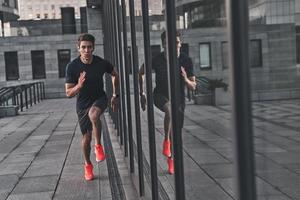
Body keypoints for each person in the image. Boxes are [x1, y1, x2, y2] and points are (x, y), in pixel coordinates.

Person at [139, 31, 196, 174]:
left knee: (176, 133)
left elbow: (193, 86)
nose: (173, 46)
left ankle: (171, 159)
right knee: (169, 110)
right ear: (164, 45)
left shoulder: (186, 60)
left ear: (180, 44)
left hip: (179, 99)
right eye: (168, 43)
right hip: (159, 95)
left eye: (176, 42)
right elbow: (141, 72)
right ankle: (166, 141)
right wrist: (142, 93)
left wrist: (186, 79)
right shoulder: (157, 59)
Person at [65, 33, 119, 181]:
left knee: (94, 114)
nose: (87, 50)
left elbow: (115, 74)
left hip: (99, 98)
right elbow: (68, 93)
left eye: (89, 47)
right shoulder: (72, 67)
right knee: (86, 138)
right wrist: (79, 86)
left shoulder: (101, 63)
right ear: (78, 48)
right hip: (82, 104)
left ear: (93, 48)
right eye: (83, 47)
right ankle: (88, 165)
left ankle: (99, 146)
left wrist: (115, 95)